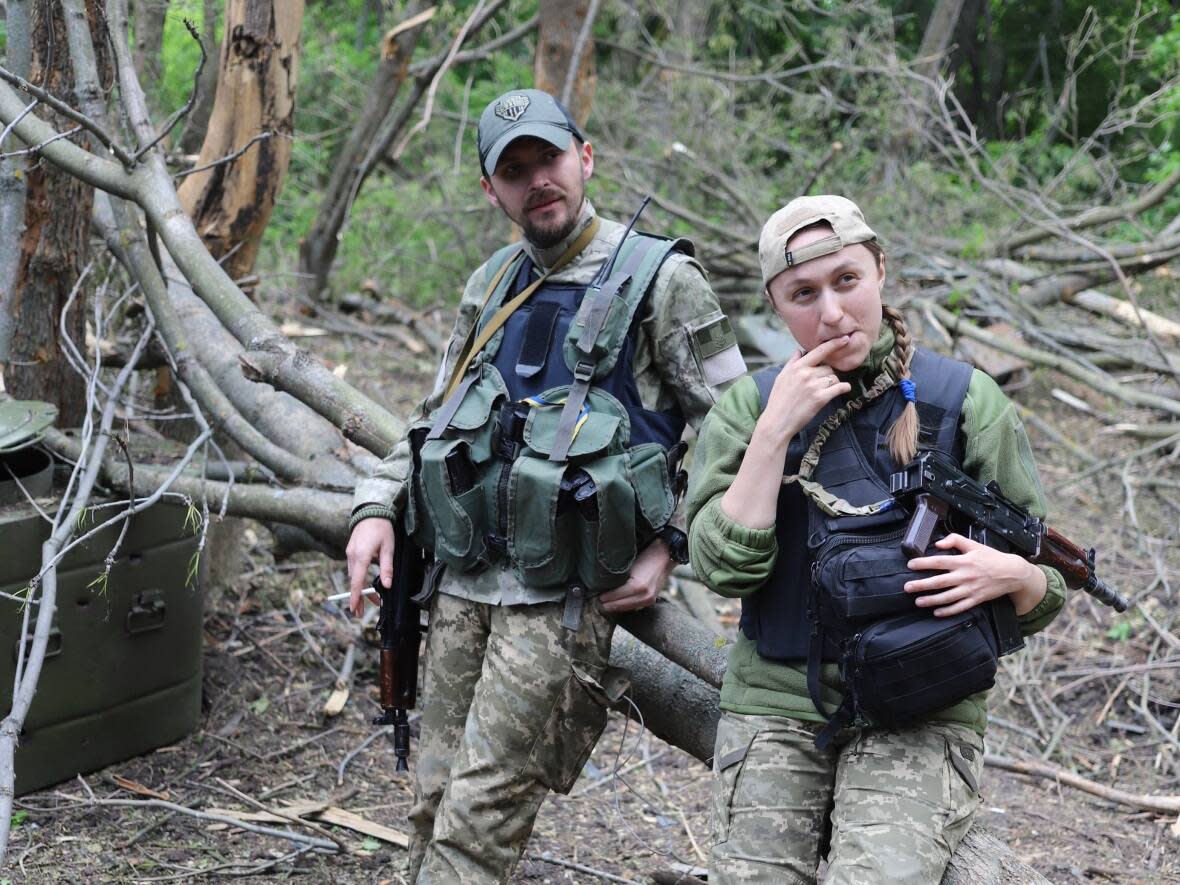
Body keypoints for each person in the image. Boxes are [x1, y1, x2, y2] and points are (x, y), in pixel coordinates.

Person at [345, 88, 746, 884]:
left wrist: (669, 546)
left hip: (561, 599)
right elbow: (432, 416)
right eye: (515, 170)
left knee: (479, 814)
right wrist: (375, 508)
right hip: (461, 583)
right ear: (491, 191)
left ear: (585, 157)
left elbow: (744, 431)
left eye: (550, 159)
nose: (539, 181)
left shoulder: (664, 281)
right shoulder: (491, 282)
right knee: (431, 798)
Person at [686, 195, 1065, 884]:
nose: (830, 313)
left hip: (924, 701)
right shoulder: (748, 406)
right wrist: (775, 431)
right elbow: (720, 568)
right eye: (804, 294)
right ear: (776, 305)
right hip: (778, 698)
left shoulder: (964, 400)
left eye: (847, 281)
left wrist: (1010, 576)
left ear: (881, 269)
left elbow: (1050, 585)